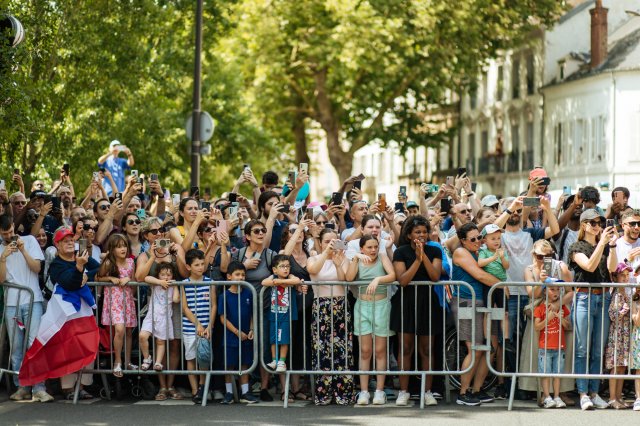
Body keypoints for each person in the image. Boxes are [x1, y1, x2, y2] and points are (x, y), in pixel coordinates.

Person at [568, 208, 618, 410]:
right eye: (594, 223)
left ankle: (595, 392)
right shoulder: (576, 246)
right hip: (583, 298)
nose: (598, 226)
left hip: (602, 297)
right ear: (584, 225)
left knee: (598, 349)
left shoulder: (604, 245)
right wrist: (602, 245)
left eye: (600, 222)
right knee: (582, 349)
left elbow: (612, 269)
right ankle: (582, 393)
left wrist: (612, 246)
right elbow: (588, 265)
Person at [0, 214, 53, 402]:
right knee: (16, 347)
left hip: (33, 301)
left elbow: (37, 268)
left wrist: (23, 251)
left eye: (11, 232)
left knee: (34, 344)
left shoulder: (30, 240)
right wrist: (3, 258)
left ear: (15, 227)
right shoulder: (0, 248)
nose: (9, 236)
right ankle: (22, 385)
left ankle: (39, 387)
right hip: (11, 303)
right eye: (5, 234)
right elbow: (1, 280)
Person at [391, 215, 443, 407]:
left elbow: (435, 276)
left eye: (424, 232)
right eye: (417, 232)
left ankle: (427, 391)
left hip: (427, 301)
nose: (421, 235)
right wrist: (417, 260)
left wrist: (424, 257)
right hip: (406, 302)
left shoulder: (434, 250)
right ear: (409, 234)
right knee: (405, 348)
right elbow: (403, 280)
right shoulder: (401, 252)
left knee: (427, 349)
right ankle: (403, 391)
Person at [520, 239, 575, 406]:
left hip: (560, 313)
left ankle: (562, 391)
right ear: (533, 255)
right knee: (538, 351)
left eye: (548, 255)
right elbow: (532, 294)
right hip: (540, 313)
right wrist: (541, 281)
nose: (543, 259)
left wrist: (557, 305)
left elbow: (571, 291)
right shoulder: (529, 270)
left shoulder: (561, 267)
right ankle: (542, 392)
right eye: (539, 256)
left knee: (562, 352)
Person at [48, 226, 101, 400]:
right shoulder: (56, 265)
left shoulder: (81, 258)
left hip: (83, 312)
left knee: (87, 344)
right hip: (66, 315)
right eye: (65, 240)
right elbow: (69, 283)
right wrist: (79, 269)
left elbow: (98, 268)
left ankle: (83, 385)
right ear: (57, 245)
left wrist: (85, 273)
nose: (70, 243)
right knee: (68, 348)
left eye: (72, 240)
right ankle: (68, 388)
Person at [345, 235, 395, 406]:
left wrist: (378, 278)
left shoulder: (382, 257)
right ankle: (364, 391)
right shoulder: (357, 259)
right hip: (362, 306)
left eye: (375, 246)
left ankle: (379, 391)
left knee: (381, 350)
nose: (373, 250)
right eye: (369, 247)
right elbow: (349, 278)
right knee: (365, 351)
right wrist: (355, 259)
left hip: (381, 305)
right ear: (362, 248)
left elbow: (392, 275)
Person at [307, 228, 355, 405]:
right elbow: (313, 269)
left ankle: (343, 392)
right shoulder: (313, 258)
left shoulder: (344, 258)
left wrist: (337, 262)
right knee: (322, 349)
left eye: (334, 241)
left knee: (342, 349)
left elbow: (345, 280)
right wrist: (326, 252)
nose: (331, 244)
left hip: (341, 306)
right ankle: (324, 392)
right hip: (322, 307)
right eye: (327, 241)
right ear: (320, 242)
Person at [96, 234, 138, 377]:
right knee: (119, 330)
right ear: (112, 249)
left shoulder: (131, 262)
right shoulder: (109, 263)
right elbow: (97, 277)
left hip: (127, 300)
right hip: (114, 301)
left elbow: (134, 281)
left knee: (128, 331)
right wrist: (110, 278)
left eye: (124, 245)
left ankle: (127, 362)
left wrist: (128, 279)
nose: (123, 249)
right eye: (119, 246)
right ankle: (118, 362)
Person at [218, 261, 259, 404]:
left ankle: (245, 392)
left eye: (243, 275)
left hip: (246, 335)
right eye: (237, 274)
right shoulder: (224, 295)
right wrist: (236, 332)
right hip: (231, 336)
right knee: (229, 365)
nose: (241, 277)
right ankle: (229, 392)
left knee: (244, 364)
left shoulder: (249, 292)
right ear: (229, 276)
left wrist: (252, 329)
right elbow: (223, 318)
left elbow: (253, 314)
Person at [477, 223, 509, 399]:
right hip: (489, 286)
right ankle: (489, 329)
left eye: (498, 238)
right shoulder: (483, 251)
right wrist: (494, 256)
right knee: (490, 310)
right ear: (485, 240)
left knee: (502, 311)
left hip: (501, 285)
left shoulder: (502, 251)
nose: (496, 241)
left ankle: (504, 332)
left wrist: (502, 257)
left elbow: (507, 267)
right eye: (493, 238)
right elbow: (480, 264)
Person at [139, 263, 180, 400]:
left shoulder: (172, 286)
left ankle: (157, 362)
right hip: (151, 315)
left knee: (160, 342)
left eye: (169, 275)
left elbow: (175, 299)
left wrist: (175, 286)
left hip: (164, 318)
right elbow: (146, 278)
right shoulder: (155, 283)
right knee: (142, 336)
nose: (166, 277)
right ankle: (147, 358)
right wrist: (160, 281)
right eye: (163, 274)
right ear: (158, 275)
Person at [181, 248, 217, 404]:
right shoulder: (184, 283)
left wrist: (209, 325)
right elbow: (184, 307)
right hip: (190, 327)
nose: (200, 267)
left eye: (202, 264)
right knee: (191, 357)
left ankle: (203, 386)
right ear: (189, 267)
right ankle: (195, 390)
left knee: (204, 357)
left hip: (207, 326)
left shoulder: (210, 282)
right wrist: (198, 325)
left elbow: (214, 305)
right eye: (197, 265)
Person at [262, 254, 303, 373]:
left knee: (284, 339)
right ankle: (275, 360)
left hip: (286, 315)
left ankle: (282, 361)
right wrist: (279, 282)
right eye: (282, 266)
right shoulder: (272, 276)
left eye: (287, 266)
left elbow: (296, 281)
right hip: (274, 314)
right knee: (273, 339)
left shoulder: (290, 276)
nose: (286, 269)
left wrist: (279, 281)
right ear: (275, 269)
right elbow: (264, 282)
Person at [533, 285, 571, 409]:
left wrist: (560, 318)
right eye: (552, 289)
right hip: (544, 347)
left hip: (559, 347)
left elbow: (568, 326)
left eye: (557, 289)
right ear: (545, 291)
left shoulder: (562, 307)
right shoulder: (540, 308)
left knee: (557, 373)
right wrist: (548, 318)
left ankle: (556, 396)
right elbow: (537, 327)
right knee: (545, 373)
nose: (556, 292)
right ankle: (547, 396)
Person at [604, 263, 633, 409]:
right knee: (615, 366)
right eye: (623, 275)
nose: (625, 278)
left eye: (627, 275)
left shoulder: (626, 293)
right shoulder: (616, 294)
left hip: (625, 333)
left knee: (621, 366)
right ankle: (612, 397)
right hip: (617, 334)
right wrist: (623, 310)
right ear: (616, 277)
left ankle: (619, 396)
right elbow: (613, 315)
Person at [630, 279, 640, 411]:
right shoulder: (634, 302)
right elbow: (637, 322)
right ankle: (638, 398)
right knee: (639, 368)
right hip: (638, 337)